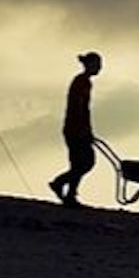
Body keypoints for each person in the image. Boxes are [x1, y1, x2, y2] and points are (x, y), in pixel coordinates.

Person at [49, 51, 103, 207]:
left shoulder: (85, 82)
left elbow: (84, 109)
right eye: (97, 64)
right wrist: (83, 130)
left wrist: (88, 129)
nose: (99, 68)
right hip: (75, 129)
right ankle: (61, 185)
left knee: (80, 163)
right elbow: (78, 107)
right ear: (90, 65)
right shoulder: (81, 82)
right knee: (85, 163)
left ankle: (69, 193)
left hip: (76, 128)